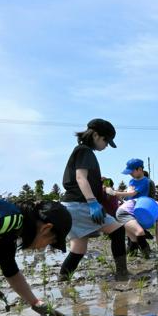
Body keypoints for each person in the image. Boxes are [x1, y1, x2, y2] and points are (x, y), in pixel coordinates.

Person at [59, 119, 129, 281]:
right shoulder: (85, 151)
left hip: (71, 206)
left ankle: (63, 278)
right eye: (105, 141)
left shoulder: (81, 150)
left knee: (78, 249)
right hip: (80, 204)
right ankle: (122, 274)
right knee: (118, 230)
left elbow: (82, 177)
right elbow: (80, 177)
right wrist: (92, 202)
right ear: (96, 135)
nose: (105, 146)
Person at [0, 199, 70, 316]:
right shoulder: (10, 219)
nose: (44, 247)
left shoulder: (11, 233)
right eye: (51, 242)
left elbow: (10, 271)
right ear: (46, 229)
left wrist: (36, 304)